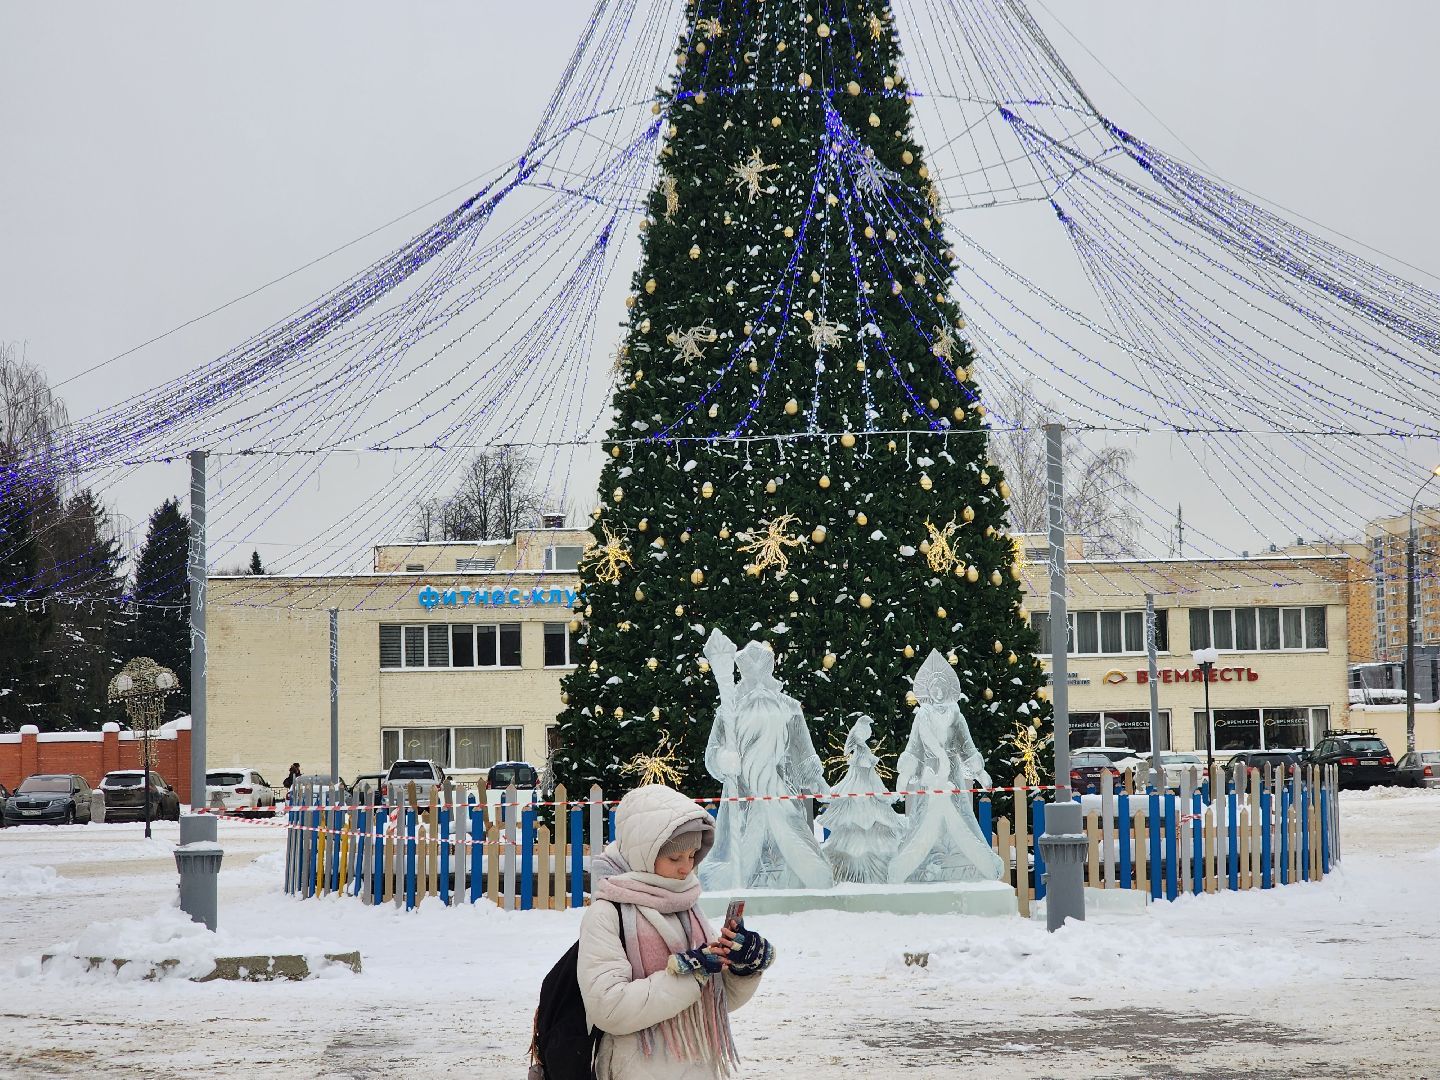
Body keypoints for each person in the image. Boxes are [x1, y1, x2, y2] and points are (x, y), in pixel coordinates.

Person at [577, 783, 775, 1079]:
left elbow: (715, 1000)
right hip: (637, 1070)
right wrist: (691, 973)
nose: (687, 868)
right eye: (674, 858)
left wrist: (742, 967)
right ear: (644, 853)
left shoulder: (686, 905)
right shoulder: (607, 914)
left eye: (692, 855)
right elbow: (609, 1008)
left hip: (698, 1066)